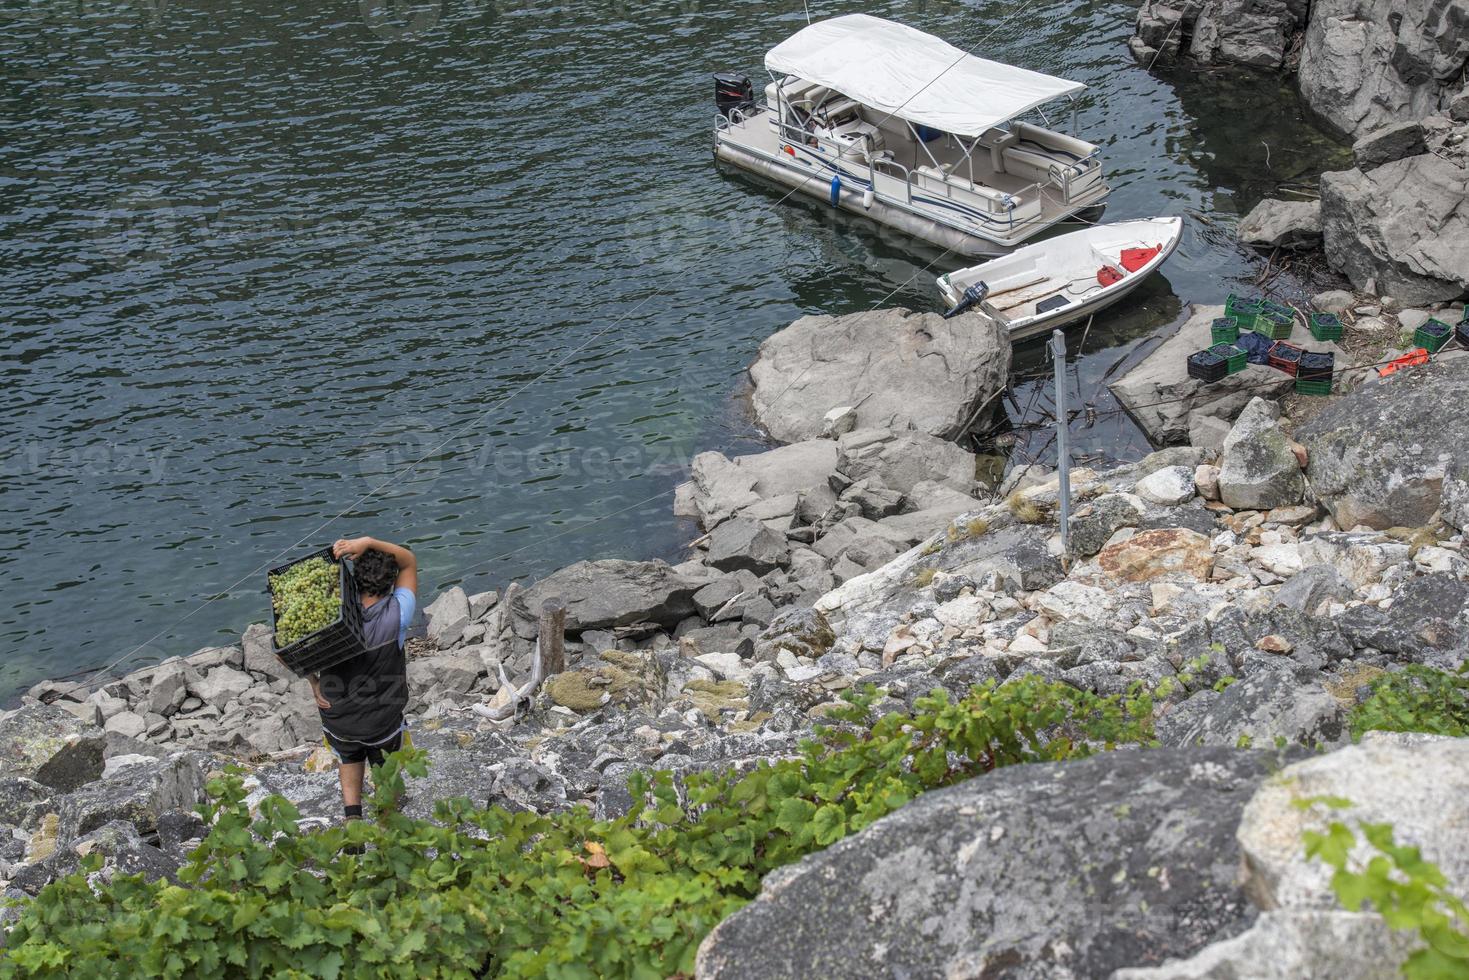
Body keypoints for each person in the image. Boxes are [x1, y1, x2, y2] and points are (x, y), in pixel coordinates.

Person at [311, 535, 417, 822]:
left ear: (354, 580)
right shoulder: (400, 613)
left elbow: (284, 653)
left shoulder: (333, 614)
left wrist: (314, 684)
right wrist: (369, 541)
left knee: (350, 756)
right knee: (386, 766)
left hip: (339, 718)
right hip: (382, 718)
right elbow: (408, 560)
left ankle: (353, 818)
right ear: (391, 582)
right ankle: (386, 821)